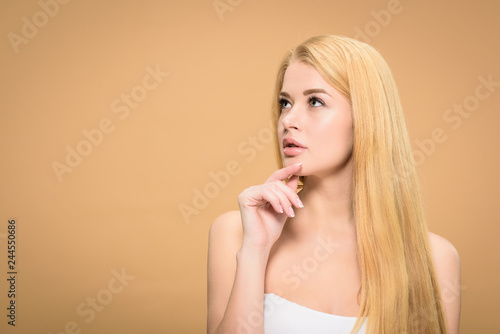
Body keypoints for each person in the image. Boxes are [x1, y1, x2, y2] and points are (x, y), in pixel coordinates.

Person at [207, 35, 461, 334]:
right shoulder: (237, 233)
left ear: (366, 118)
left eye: (315, 101)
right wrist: (255, 250)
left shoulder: (434, 258)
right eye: (284, 103)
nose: (289, 119)